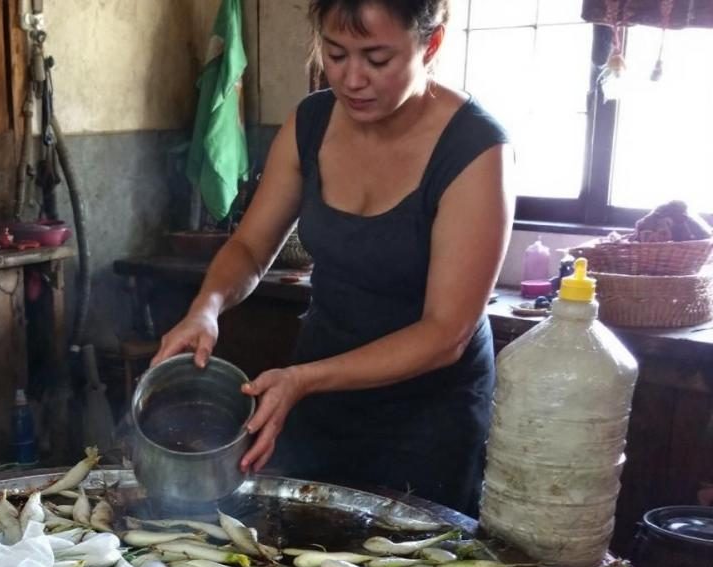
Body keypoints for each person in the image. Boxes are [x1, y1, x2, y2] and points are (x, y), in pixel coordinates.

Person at [152, 0, 514, 517]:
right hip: (317, 398)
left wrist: (305, 378)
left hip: (426, 416)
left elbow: (445, 333)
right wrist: (206, 307)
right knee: (299, 555)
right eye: (336, 53)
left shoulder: (477, 149)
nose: (351, 79)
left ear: (429, 45)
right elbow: (251, 248)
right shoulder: (312, 122)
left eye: (377, 58)